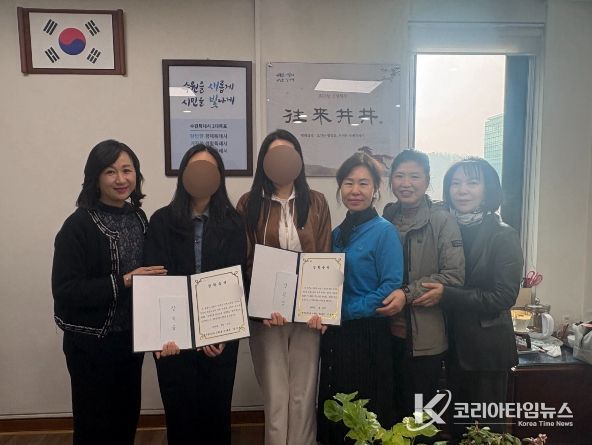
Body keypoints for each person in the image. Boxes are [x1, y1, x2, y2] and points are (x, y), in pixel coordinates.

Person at [52, 139, 166, 444]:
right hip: (91, 344)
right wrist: (123, 281)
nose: (121, 179)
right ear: (95, 177)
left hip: (130, 341)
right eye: (110, 171)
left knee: (125, 421)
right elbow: (65, 289)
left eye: (127, 170)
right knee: (93, 427)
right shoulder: (77, 225)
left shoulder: (138, 217)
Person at [143, 144, 247, 445]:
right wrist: (161, 334)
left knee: (216, 416)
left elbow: (236, 278)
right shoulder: (161, 221)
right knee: (180, 417)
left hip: (218, 340)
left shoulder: (233, 222)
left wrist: (221, 333)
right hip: (173, 340)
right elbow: (156, 281)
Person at [236, 129, 332, 445]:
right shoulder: (249, 203)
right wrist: (260, 307)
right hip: (268, 315)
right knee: (276, 396)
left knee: (304, 394)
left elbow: (324, 255)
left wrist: (322, 309)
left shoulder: (316, 202)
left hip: (307, 314)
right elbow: (245, 260)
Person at [424, 157, 523, 439]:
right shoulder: (445, 228)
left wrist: (447, 295)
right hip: (451, 348)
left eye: (472, 182)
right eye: (455, 183)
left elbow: (503, 296)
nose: (462, 190)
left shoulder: (503, 235)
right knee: (456, 430)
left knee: (485, 433)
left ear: (487, 189)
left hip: (485, 353)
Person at [317, 152, 404, 445]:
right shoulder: (336, 234)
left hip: (368, 336)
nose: (355, 190)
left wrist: (344, 311)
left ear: (375, 189)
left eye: (364, 183)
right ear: (340, 187)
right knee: (336, 409)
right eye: (349, 183)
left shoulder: (385, 232)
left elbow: (389, 287)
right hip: (335, 336)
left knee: (366, 414)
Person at [380, 149, 465, 420]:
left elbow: (454, 275)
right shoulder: (388, 214)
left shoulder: (442, 219)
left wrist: (407, 294)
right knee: (391, 414)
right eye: (399, 176)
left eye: (414, 176)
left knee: (420, 418)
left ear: (427, 181)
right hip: (386, 333)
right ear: (391, 181)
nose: (406, 183)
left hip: (425, 337)